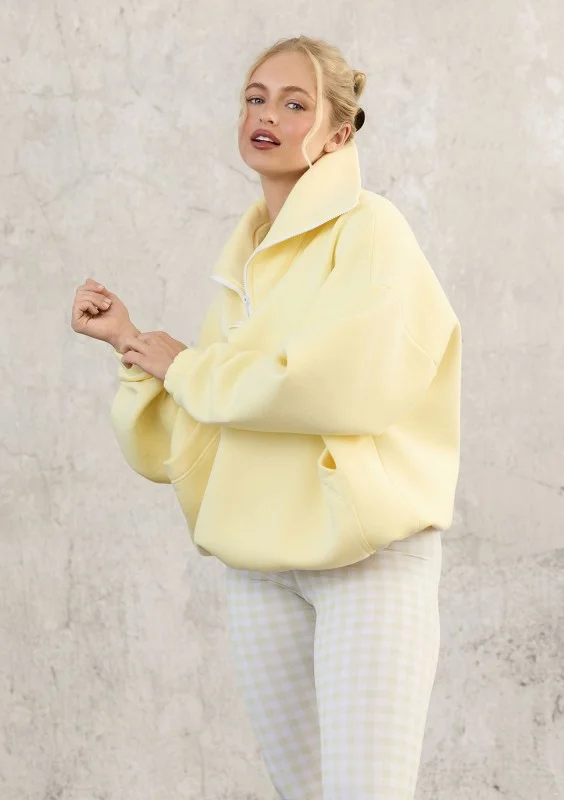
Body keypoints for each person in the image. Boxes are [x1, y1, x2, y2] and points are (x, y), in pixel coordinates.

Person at [71, 35, 461, 800]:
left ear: (338, 135)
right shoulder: (248, 257)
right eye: (256, 98)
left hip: (368, 560)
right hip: (261, 564)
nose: (267, 116)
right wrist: (131, 343)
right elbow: (216, 421)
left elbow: (335, 385)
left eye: (294, 103)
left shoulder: (372, 231)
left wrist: (186, 367)